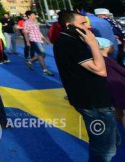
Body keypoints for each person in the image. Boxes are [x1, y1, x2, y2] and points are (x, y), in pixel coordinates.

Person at [53, 11, 121, 161]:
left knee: (113, 141)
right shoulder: (69, 42)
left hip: (94, 100)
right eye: (83, 23)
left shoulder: (72, 39)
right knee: (104, 150)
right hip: (94, 103)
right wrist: (93, 44)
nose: (87, 27)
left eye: (87, 23)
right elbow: (100, 70)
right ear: (69, 25)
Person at [97, 38, 125, 129]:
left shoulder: (98, 60)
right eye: (112, 46)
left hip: (111, 88)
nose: (114, 48)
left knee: (118, 109)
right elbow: (122, 71)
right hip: (119, 88)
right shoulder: (108, 60)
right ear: (104, 48)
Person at [23, 11, 55, 76]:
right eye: (33, 14)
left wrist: (45, 39)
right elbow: (25, 33)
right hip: (33, 39)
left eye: (34, 14)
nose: (34, 16)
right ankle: (45, 70)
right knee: (41, 54)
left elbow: (38, 32)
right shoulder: (27, 22)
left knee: (42, 55)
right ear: (29, 16)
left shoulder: (35, 22)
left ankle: (30, 61)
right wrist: (27, 42)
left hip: (39, 39)